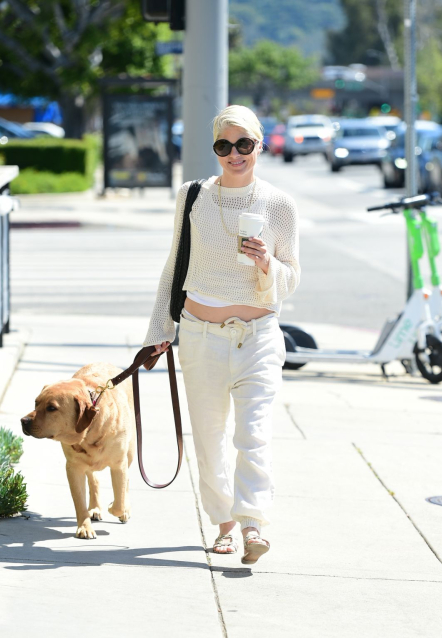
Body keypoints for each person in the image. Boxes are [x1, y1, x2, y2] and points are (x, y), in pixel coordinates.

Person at [143, 105, 300, 565]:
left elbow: (292, 275)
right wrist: (160, 329)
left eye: (244, 144)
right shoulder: (192, 197)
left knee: (253, 434)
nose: (235, 154)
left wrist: (268, 265)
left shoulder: (279, 205)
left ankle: (252, 524)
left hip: (258, 335)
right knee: (209, 436)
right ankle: (224, 524)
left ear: (260, 144)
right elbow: (175, 265)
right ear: (215, 149)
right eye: (224, 146)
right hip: (199, 334)